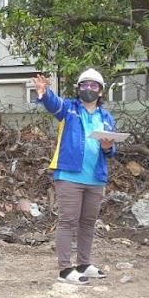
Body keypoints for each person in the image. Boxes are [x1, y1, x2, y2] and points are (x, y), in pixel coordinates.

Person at [33, 68, 117, 284]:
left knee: (88, 222)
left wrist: (108, 147)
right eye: (84, 85)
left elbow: (111, 151)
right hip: (69, 175)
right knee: (68, 221)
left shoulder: (106, 117)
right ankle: (65, 270)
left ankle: (83, 264)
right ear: (78, 89)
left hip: (96, 177)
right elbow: (54, 104)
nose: (88, 89)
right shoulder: (69, 109)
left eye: (93, 86)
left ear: (101, 91)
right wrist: (44, 92)